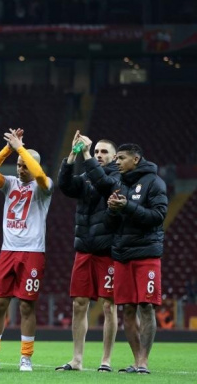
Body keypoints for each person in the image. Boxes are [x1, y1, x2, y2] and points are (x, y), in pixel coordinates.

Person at [80, 139, 167, 374]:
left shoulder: (154, 182)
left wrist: (126, 206)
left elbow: (158, 216)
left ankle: (144, 362)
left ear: (135, 159)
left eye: (121, 158)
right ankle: (137, 361)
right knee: (127, 309)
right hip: (121, 254)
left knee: (146, 306)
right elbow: (110, 224)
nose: (117, 162)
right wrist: (111, 210)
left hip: (146, 254)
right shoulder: (118, 183)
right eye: (116, 158)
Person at [0, 129, 53, 372]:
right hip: (8, 251)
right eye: (19, 165)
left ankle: (26, 357)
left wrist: (21, 147)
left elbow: (39, 175)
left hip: (32, 252)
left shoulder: (44, 186)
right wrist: (8, 149)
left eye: (25, 165)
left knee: (26, 306)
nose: (20, 169)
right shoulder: (10, 183)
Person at [55, 132, 119, 372]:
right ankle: (77, 359)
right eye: (97, 151)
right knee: (79, 304)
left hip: (107, 251)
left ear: (114, 157)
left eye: (104, 152)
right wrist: (72, 155)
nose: (99, 155)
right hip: (84, 249)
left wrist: (86, 154)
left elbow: (104, 184)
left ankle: (106, 360)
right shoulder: (86, 177)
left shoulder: (117, 177)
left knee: (109, 305)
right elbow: (65, 185)